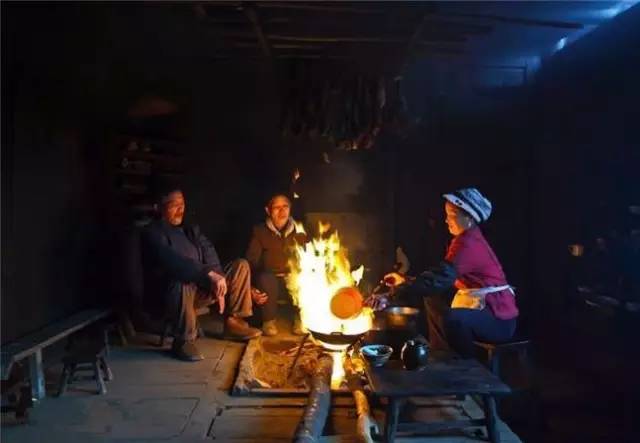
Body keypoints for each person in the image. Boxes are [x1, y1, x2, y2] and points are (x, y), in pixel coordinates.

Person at [380, 188, 518, 358]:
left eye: (451, 214)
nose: (446, 220)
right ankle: (441, 354)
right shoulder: (463, 239)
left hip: (499, 320)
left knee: (454, 318)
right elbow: (438, 278)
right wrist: (405, 280)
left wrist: (397, 290)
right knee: (433, 298)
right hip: (483, 309)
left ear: (468, 218)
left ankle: (466, 367)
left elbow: (440, 278)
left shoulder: (468, 244)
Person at [142, 185, 264, 361]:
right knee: (181, 280)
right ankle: (183, 341)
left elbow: (209, 252)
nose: (180, 209)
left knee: (240, 266)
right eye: (174, 205)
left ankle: (234, 323)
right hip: (173, 295)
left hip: (201, 288)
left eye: (182, 204)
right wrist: (208, 274)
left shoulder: (190, 230)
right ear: (159, 207)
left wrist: (218, 277)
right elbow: (174, 262)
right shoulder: (153, 233)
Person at [246, 194, 307, 336]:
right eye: (277, 207)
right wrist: (250, 287)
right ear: (268, 210)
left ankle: (301, 319)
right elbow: (251, 261)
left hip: (293, 281)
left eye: (285, 206)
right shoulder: (260, 231)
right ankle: (268, 321)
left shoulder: (300, 230)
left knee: (303, 278)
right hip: (270, 282)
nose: (282, 211)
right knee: (266, 278)